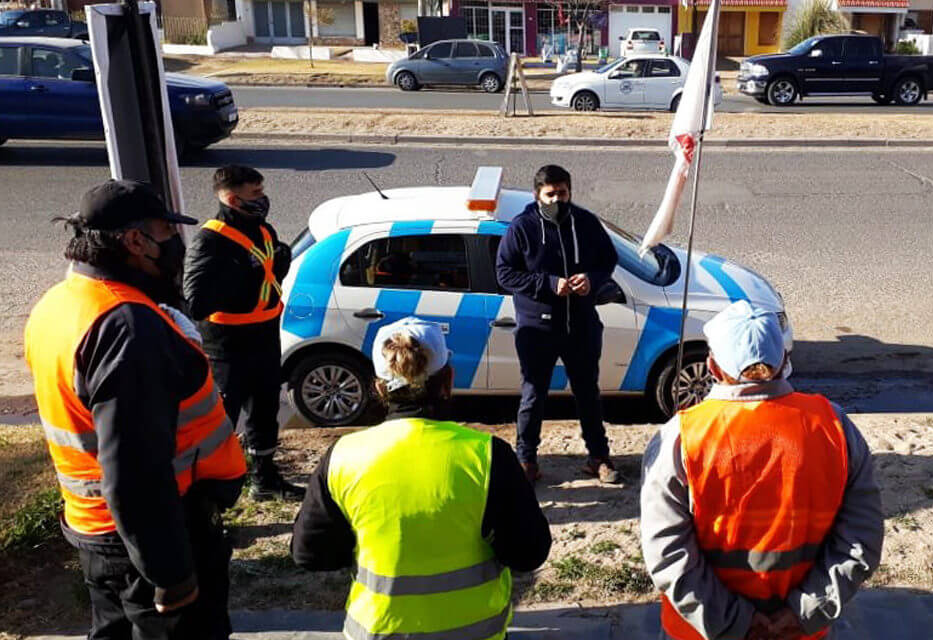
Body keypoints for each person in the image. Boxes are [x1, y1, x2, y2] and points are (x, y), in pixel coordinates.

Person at [25, 180, 247, 640]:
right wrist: (170, 573)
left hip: (100, 531)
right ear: (134, 241)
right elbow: (136, 470)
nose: (175, 246)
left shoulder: (59, 303)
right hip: (149, 540)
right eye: (167, 233)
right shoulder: (126, 326)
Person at [291, 317, 552, 640]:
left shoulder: (343, 456)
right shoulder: (487, 455)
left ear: (379, 387)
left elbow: (310, 554)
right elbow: (529, 553)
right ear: (448, 380)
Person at [641, 300, 884, 640]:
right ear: (784, 360)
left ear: (712, 366)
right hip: (798, 631)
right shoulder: (834, 426)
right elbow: (862, 536)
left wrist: (737, 622)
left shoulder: (680, 437)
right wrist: (806, 611)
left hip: (702, 631)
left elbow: (666, 551)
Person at [495, 164, 621, 485]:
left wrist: (591, 279)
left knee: (587, 393)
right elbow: (505, 273)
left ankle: (598, 457)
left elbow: (608, 259)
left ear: (570, 192)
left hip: (580, 325)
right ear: (537, 195)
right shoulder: (521, 228)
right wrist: (550, 284)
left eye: (562, 193)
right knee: (534, 395)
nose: (557, 200)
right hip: (538, 330)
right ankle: (526, 458)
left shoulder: (585, 222)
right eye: (550, 194)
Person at [183, 165, 303, 501]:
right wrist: (242, 278)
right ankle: (209, 493)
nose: (263, 199)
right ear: (233, 199)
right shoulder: (209, 240)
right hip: (227, 349)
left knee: (265, 412)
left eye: (262, 191)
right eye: (255, 194)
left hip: (265, 338)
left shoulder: (263, 230)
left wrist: (281, 262)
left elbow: (269, 277)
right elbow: (195, 301)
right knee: (221, 421)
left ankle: (264, 479)